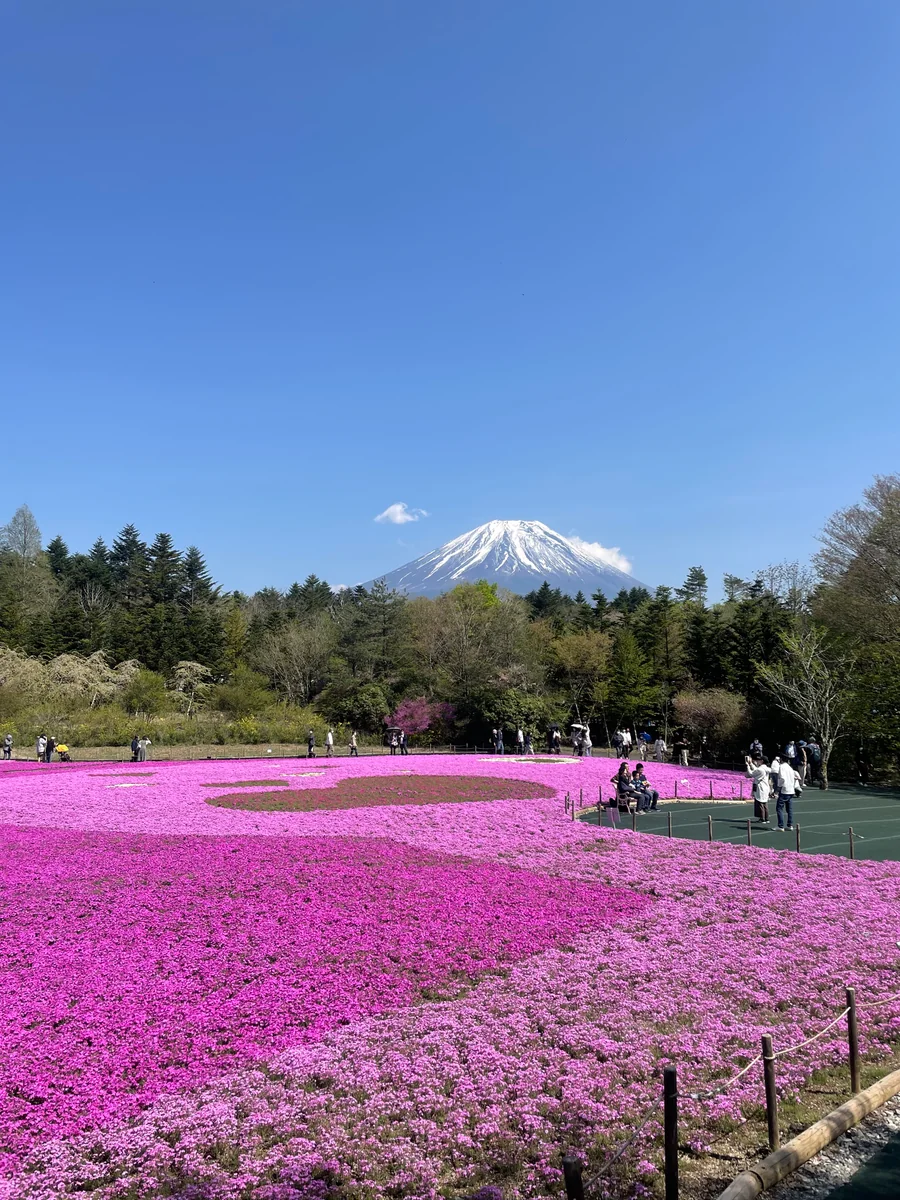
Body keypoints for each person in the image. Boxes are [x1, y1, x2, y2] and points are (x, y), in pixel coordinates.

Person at [775, 755, 801, 831]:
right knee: (789, 809)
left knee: (779, 808)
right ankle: (790, 825)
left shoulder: (781, 767)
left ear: (781, 759)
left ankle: (780, 826)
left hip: (784, 790)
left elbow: (782, 778)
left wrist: (778, 788)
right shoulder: (790, 768)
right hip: (791, 790)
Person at [745, 755, 771, 824]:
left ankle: (762, 818)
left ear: (762, 761)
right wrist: (751, 763)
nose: (758, 761)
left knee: (760, 802)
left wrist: (748, 765)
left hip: (760, 786)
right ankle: (766, 818)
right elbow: (756, 769)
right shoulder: (767, 769)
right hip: (766, 786)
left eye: (759, 760)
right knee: (765, 803)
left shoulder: (760, 769)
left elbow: (751, 774)